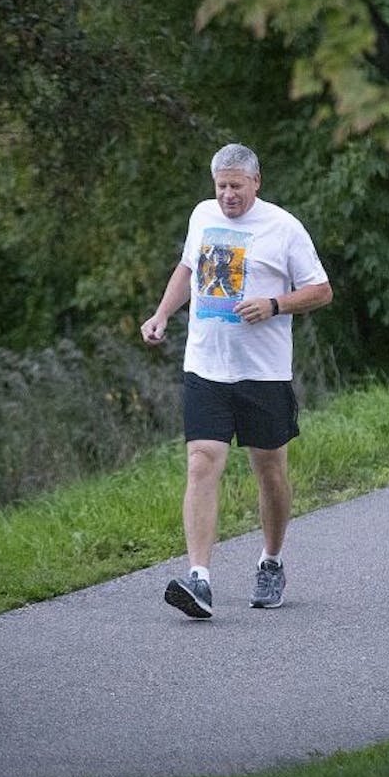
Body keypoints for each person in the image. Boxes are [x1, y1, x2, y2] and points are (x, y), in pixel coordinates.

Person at [141, 143, 333, 619]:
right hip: (206, 365)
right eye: (221, 185)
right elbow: (188, 269)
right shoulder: (203, 215)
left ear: (256, 182)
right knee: (201, 462)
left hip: (263, 373)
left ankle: (271, 561)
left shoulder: (283, 228)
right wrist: (163, 313)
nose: (227, 195)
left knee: (269, 471)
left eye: (236, 186)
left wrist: (274, 305)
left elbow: (321, 290)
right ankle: (199, 579)